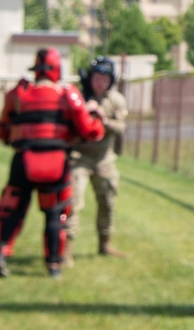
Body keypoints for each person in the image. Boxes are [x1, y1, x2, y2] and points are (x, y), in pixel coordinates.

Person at [0, 47, 104, 279]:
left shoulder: (18, 93)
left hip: (23, 159)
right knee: (56, 213)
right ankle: (53, 265)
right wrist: (97, 119)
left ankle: (1, 251)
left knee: (12, 207)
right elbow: (90, 130)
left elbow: (2, 128)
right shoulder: (67, 94)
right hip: (55, 163)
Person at [64, 56, 129, 265]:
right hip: (79, 158)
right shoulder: (78, 97)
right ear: (90, 78)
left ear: (111, 80)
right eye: (97, 77)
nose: (100, 82)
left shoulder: (116, 100)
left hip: (104, 159)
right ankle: (66, 250)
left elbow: (121, 128)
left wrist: (104, 119)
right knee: (73, 203)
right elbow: (66, 128)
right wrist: (83, 112)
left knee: (108, 202)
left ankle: (105, 244)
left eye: (105, 78)